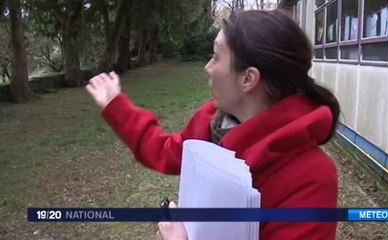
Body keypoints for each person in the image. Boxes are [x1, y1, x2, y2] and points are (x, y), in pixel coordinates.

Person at [86, 9, 340, 240]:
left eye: (216, 57)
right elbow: (164, 151)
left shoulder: (312, 179)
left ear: (248, 78)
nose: (207, 68)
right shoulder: (212, 122)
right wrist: (115, 104)